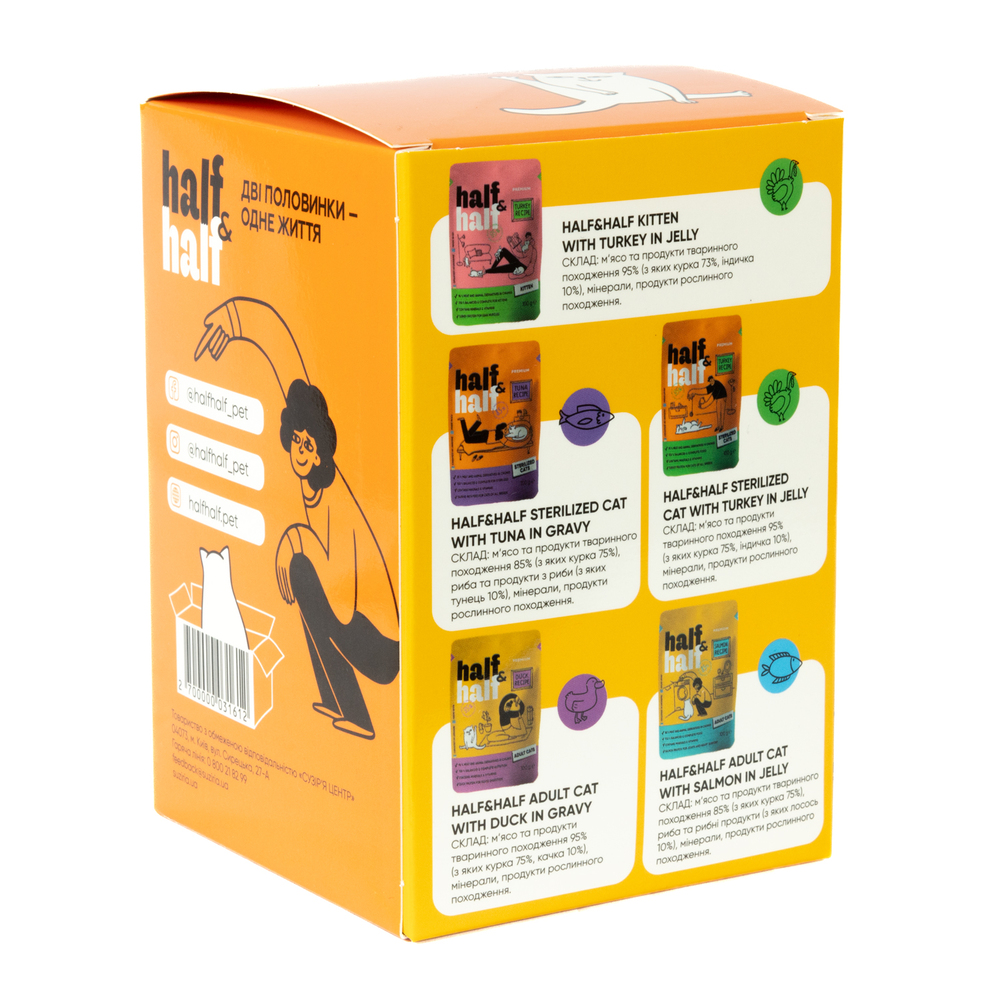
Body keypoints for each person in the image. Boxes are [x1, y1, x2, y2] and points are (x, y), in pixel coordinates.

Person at [196, 298, 399, 740]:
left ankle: (359, 716)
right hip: (358, 627)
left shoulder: (335, 498)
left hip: (384, 647)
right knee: (302, 568)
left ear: (322, 451)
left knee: (303, 570)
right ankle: (333, 697)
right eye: (296, 441)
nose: (301, 451)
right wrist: (234, 319)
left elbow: (342, 597)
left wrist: (294, 540)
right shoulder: (310, 484)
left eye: (309, 445)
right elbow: (286, 359)